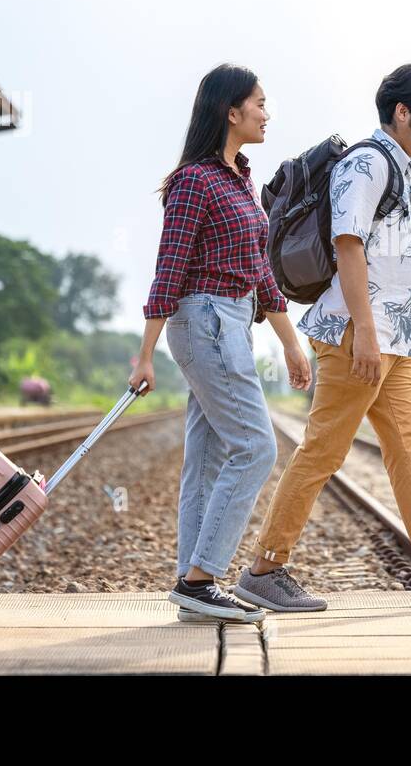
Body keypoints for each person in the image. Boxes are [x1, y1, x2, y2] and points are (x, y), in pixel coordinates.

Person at [233, 63, 411, 612]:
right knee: (323, 450)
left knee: (408, 450)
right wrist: (365, 333)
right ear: (402, 112)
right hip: (357, 335)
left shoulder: (403, 166)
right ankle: (265, 568)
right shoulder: (365, 165)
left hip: (394, 340)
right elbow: (348, 246)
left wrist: (395, 338)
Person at [130, 63, 311, 624]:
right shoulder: (193, 182)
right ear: (231, 112)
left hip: (232, 321)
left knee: (208, 458)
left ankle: (192, 582)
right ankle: (203, 578)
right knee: (257, 448)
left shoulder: (238, 180)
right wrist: (145, 356)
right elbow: (170, 270)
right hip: (204, 319)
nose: (266, 111)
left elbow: (261, 275)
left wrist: (291, 345)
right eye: (258, 102)